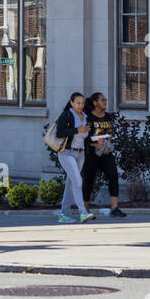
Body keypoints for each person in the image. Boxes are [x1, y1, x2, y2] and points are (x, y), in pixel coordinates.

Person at [81, 92, 126, 218]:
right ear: (95, 102)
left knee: (113, 175)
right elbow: (84, 138)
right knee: (89, 180)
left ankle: (115, 207)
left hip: (106, 153)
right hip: (91, 154)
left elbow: (110, 133)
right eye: (102, 100)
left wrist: (108, 143)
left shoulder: (108, 117)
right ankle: (85, 209)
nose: (105, 102)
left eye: (105, 100)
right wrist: (95, 145)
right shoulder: (88, 118)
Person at [53, 92, 95, 224]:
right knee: (77, 181)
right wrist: (78, 130)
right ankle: (83, 212)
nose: (80, 105)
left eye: (82, 103)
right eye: (78, 103)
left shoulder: (85, 117)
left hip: (80, 153)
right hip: (67, 153)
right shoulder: (66, 115)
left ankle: (63, 215)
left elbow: (85, 136)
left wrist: (95, 139)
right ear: (71, 103)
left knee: (71, 185)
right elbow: (59, 133)